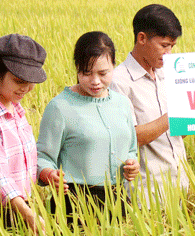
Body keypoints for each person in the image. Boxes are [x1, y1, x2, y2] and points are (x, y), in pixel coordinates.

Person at [37, 32, 139, 222]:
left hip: (117, 199)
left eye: (103, 73)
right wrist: (49, 173)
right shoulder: (60, 107)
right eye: (86, 72)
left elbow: (131, 149)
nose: (95, 81)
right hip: (74, 203)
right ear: (77, 68)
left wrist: (132, 164)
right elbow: (41, 157)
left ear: (114, 67)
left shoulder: (122, 104)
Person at [110, 4, 189, 203]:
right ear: (142, 38)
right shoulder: (119, 82)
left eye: (172, 46)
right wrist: (173, 116)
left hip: (180, 188)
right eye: (164, 45)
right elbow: (127, 138)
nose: (169, 53)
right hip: (146, 195)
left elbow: (178, 133)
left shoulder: (169, 74)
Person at [0, 34, 47, 236]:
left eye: (31, 81)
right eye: (19, 81)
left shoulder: (16, 109)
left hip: (20, 205)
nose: (26, 88)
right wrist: (27, 213)